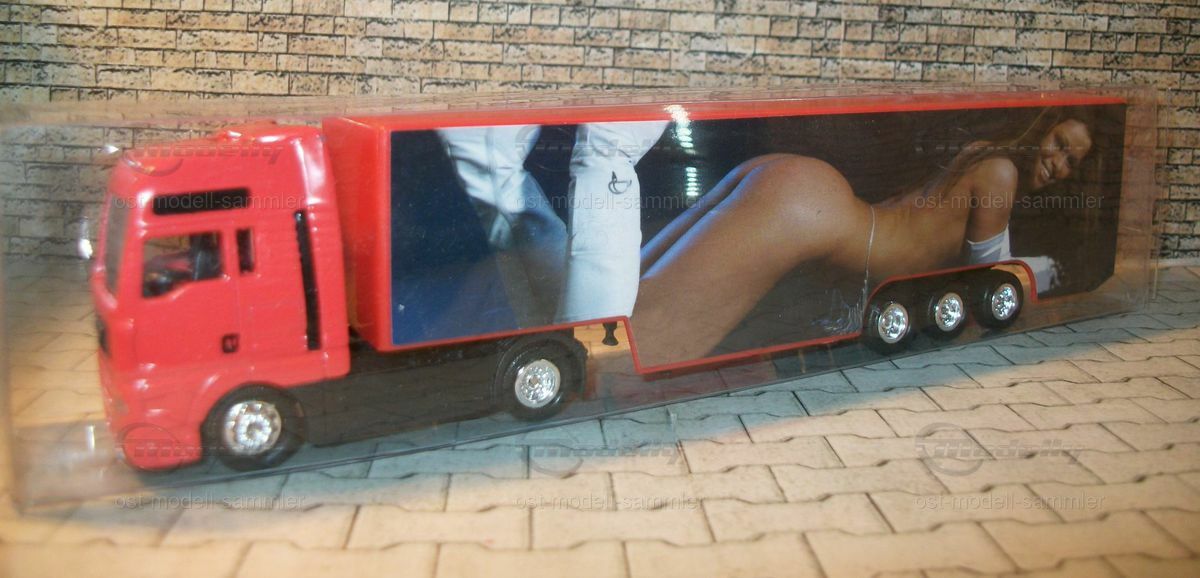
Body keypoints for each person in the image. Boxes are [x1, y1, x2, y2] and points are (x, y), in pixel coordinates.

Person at [629, 109, 1096, 367]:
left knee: (635, 296)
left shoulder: (981, 156)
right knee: (649, 343)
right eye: (1059, 145)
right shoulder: (1001, 174)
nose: (1058, 164)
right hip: (812, 210)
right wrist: (1049, 275)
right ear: (1042, 128)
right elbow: (990, 277)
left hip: (805, 192)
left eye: (1071, 163)